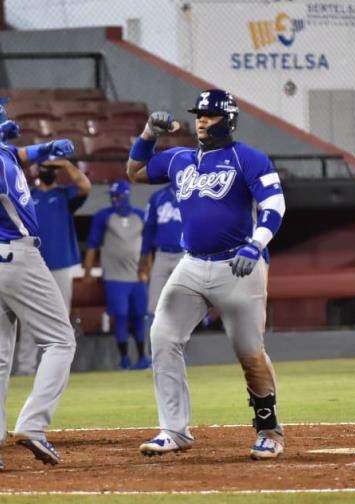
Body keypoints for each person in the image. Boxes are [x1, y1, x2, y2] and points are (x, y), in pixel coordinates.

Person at [126, 89, 287, 460]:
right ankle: (174, 430)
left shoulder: (247, 158)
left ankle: (269, 430)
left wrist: (256, 243)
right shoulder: (179, 159)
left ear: (228, 120)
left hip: (239, 263)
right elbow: (134, 171)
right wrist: (149, 134)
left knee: (249, 353)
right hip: (193, 263)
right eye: (199, 114)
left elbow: (274, 205)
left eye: (210, 115)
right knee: (163, 336)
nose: (201, 120)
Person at [0, 85, 77, 470]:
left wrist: (48, 148)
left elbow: (15, 155)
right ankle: (33, 424)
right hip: (12, 255)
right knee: (60, 341)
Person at [14, 157, 91, 376]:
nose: (48, 171)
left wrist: (67, 165)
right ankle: (25, 368)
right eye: (44, 168)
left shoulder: (64, 195)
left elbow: (85, 186)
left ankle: (57, 368)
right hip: (32, 264)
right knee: (29, 317)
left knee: (60, 318)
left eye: (51, 168)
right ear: (38, 171)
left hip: (60, 264)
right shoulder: (28, 196)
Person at [82, 181, 149, 370]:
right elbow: (92, 246)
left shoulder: (140, 216)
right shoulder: (103, 216)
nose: (114, 200)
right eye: (112, 196)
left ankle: (143, 357)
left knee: (139, 315)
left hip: (137, 276)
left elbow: (147, 248)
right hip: (114, 275)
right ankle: (124, 358)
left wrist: (146, 270)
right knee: (120, 315)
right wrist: (87, 272)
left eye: (117, 196)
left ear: (126, 195)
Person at [139, 185, 184, 326]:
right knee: (153, 307)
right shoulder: (158, 196)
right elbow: (149, 229)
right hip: (161, 255)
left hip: (185, 256)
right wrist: (143, 259)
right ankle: (151, 348)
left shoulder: (195, 193)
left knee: (184, 308)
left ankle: (180, 348)